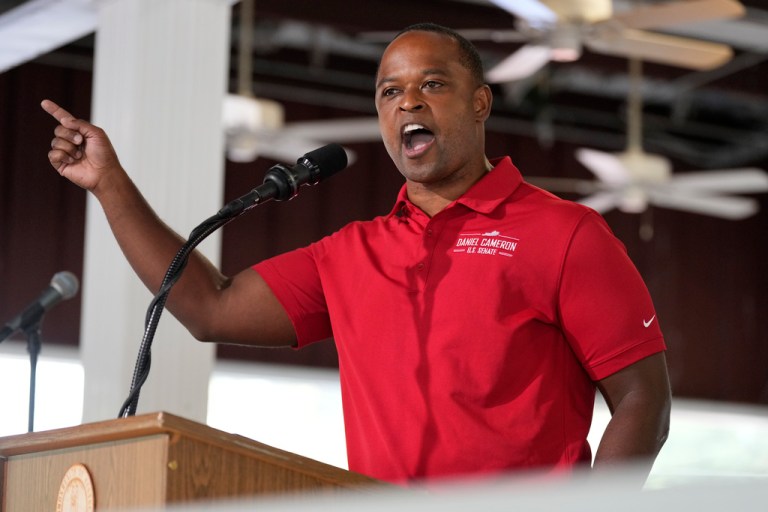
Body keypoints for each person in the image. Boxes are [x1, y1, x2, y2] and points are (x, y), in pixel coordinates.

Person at [43, 23, 671, 486]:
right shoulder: (352, 253)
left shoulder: (566, 233)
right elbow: (211, 307)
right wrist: (109, 183)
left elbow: (644, 400)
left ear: (480, 103)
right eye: (389, 93)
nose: (408, 103)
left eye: (432, 85)